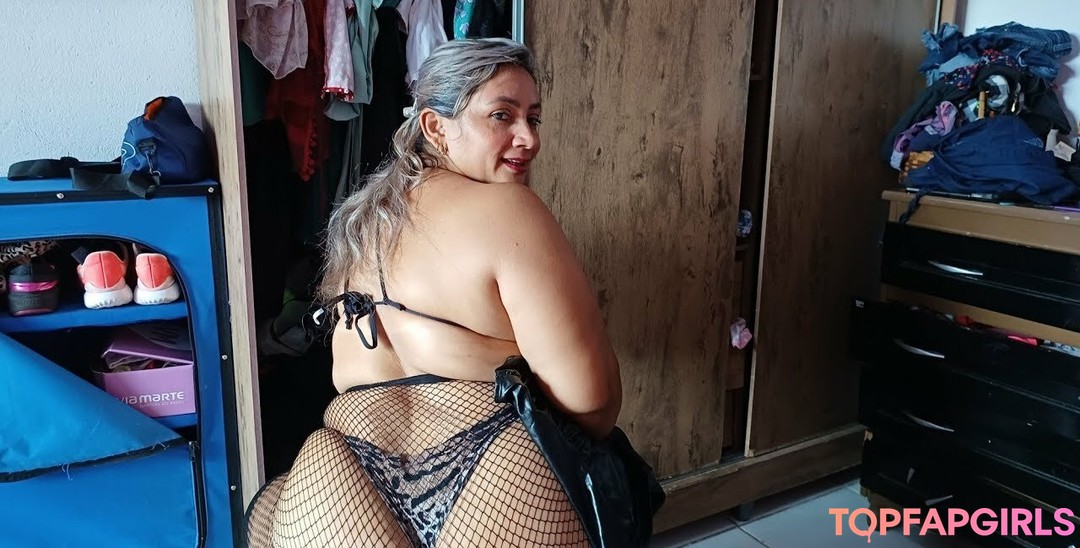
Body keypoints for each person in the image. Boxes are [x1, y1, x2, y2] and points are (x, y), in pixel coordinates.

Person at [245, 37, 659, 548]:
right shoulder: (509, 210)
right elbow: (591, 400)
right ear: (435, 127)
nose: (528, 138)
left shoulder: (358, 226)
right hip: (493, 470)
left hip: (338, 480)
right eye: (502, 116)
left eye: (534, 118)